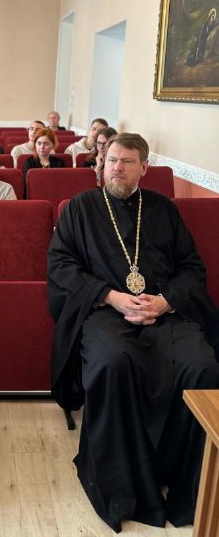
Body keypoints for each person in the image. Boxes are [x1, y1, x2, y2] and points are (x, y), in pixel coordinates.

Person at [48, 133, 219, 533]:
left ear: (144, 167)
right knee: (112, 363)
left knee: (203, 367)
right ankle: (120, 485)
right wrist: (111, 297)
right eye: (111, 160)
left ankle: (188, 485)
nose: (117, 168)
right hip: (105, 311)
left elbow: (191, 267)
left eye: (127, 162)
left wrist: (165, 302)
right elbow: (60, 266)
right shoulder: (80, 208)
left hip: (164, 312)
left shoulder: (163, 209)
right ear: (101, 163)